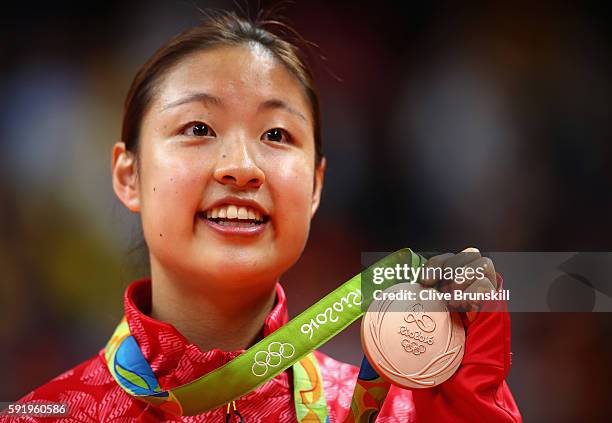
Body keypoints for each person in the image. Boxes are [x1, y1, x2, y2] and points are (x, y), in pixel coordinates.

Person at [2, 11, 521, 422]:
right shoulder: (45, 415)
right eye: (198, 128)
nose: (242, 168)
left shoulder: (391, 414)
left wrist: (471, 401)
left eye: (276, 135)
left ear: (316, 185)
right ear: (128, 175)